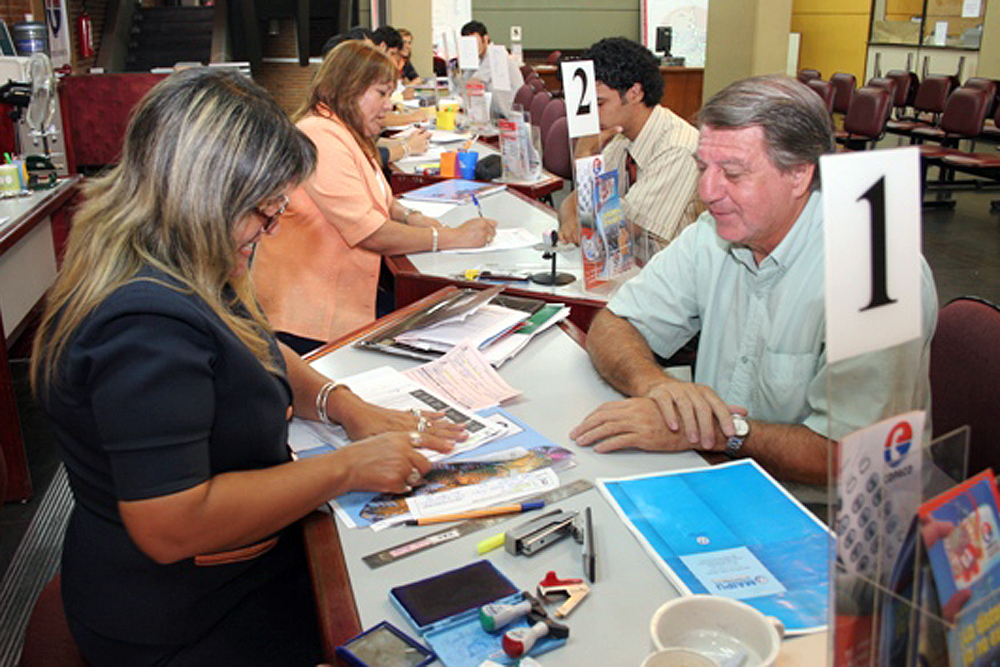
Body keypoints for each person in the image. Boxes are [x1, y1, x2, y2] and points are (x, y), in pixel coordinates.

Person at [30, 68, 466, 666]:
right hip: (191, 612)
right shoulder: (143, 325)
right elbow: (170, 522)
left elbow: (256, 345)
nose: (272, 228)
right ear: (205, 197)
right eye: (263, 211)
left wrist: (343, 405)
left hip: (220, 576)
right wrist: (345, 468)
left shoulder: (178, 258)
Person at [571, 75, 938, 486]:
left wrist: (714, 431)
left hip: (826, 507)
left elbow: (856, 457)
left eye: (732, 173)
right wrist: (656, 386)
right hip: (720, 473)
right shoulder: (713, 234)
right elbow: (614, 323)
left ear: (799, 175)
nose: (707, 191)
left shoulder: (877, 275)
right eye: (702, 167)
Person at [252, 42, 497, 354]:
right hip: (309, 317)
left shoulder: (345, 131)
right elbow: (370, 233)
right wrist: (453, 238)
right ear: (349, 88)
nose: (388, 106)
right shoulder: (319, 136)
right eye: (381, 93)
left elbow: (378, 195)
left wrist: (412, 218)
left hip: (343, 298)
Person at [557, 37, 699, 262]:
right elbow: (573, 199)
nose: (592, 115)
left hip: (664, 274)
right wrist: (570, 221)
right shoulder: (621, 137)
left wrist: (584, 158)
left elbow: (620, 229)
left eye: (600, 103)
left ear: (635, 92)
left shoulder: (677, 148)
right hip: (626, 264)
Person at [460, 20, 524, 118]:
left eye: (475, 42)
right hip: (495, 113)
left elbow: (474, 83)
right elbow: (464, 83)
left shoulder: (496, 54)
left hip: (507, 116)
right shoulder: (479, 58)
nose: (472, 47)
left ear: (485, 39)